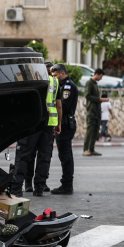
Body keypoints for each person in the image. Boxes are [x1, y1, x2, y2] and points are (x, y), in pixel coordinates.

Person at [11, 62, 61, 197]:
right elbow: (59, 105)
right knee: (44, 155)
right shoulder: (55, 82)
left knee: (24, 154)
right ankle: (39, 187)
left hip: (32, 122)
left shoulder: (31, 80)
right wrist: (59, 123)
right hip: (49, 123)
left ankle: (16, 187)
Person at [50, 63, 78, 195]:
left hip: (65, 125)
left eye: (55, 75)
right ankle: (66, 183)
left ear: (62, 73)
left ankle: (67, 185)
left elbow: (64, 107)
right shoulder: (62, 86)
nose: (53, 77)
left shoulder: (68, 87)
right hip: (65, 124)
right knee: (65, 155)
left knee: (65, 156)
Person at [83, 68, 109, 156]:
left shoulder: (95, 84)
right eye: (101, 76)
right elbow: (87, 96)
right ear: (97, 74)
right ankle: (85, 149)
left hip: (97, 111)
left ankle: (91, 149)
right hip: (91, 111)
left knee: (95, 130)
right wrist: (100, 99)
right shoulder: (89, 83)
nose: (101, 78)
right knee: (90, 130)